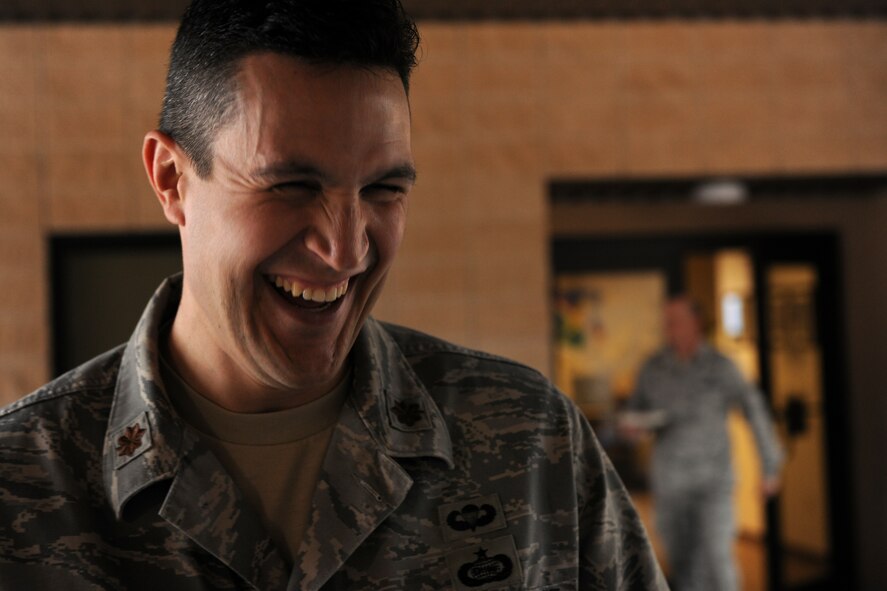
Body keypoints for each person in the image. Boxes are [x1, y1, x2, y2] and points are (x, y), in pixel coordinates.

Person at [0, 1, 668, 589]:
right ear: (172, 178)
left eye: (383, 190)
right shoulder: (23, 484)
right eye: (291, 186)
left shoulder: (529, 443)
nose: (345, 250)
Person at [624, 295, 783, 591]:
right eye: (666, 323)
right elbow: (634, 414)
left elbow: (755, 411)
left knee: (717, 560)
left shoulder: (722, 367)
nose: (669, 328)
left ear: (695, 322)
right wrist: (633, 429)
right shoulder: (652, 368)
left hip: (713, 482)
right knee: (683, 568)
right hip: (670, 483)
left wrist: (770, 466)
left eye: (675, 321)